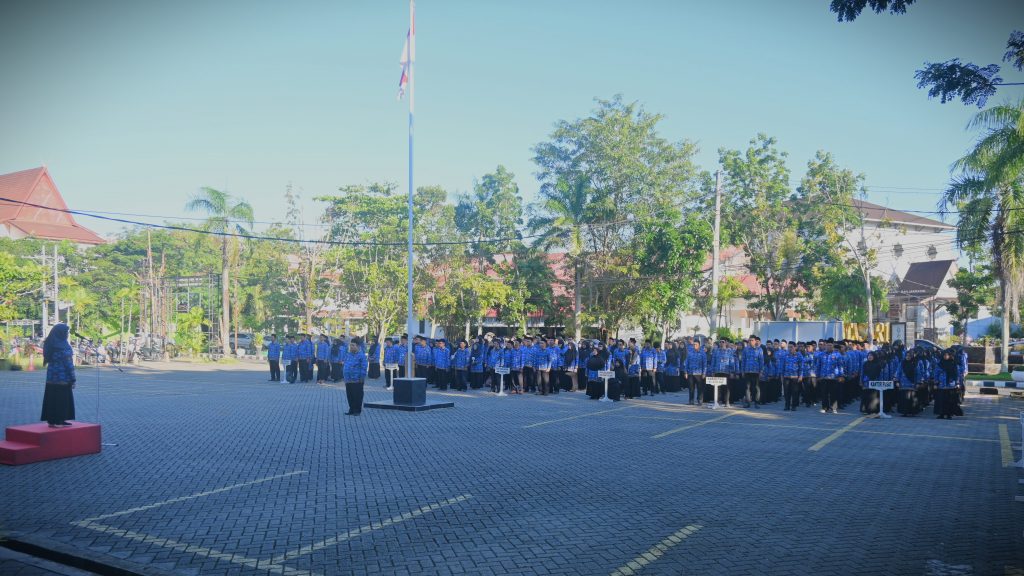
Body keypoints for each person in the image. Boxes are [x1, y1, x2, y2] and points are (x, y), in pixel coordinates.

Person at [41, 323, 76, 427]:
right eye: (66, 332)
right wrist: (73, 379)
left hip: (51, 378)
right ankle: (59, 420)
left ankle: (52, 420)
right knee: (62, 400)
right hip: (63, 378)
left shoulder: (49, 343)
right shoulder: (63, 346)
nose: (67, 334)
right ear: (62, 333)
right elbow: (68, 364)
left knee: (52, 399)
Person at [934, 349, 963, 419]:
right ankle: (941, 414)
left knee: (950, 401)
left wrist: (958, 383)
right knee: (941, 401)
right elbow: (936, 373)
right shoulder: (939, 364)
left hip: (951, 385)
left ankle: (949, 414)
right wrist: (936, 382)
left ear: (949, 356)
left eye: (947, 355)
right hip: (941, 385)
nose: (945, 356)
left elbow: (957, 374)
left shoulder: (954, 363)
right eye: (944, 355)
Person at [343, 340, 367, 416]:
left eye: (353, 345)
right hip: (348, 379)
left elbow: (364, 367)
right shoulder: (348, 355)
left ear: (358, 346)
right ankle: (351, 409)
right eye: (351, 345)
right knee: (350, 395)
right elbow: (345, 365)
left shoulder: (361, 355)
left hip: (357, 379)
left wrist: (362, 377)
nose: (351, 347)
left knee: (357, 396)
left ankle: (357, 410)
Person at [781, 342, 802, 411]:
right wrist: (782, 375)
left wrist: (800, 376)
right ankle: (787, 405)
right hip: (786, 376)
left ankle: (794, 406)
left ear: (795, 347)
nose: (790, 348)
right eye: (789, 347)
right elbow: (782, 366)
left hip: (795, 377)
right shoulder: (785, 355)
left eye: (791, 347)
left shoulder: (799, 355)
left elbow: (801, 367)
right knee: (787, 392)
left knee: (795, 392)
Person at [685, 339, 706, 405]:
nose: (694, 346)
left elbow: (704, 364)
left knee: (700, 388)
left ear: (699, 345)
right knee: (691, 388)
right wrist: (685, 372)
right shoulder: (690, 352)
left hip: (699, 373)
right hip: (690, 373)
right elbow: (686, 362)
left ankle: (699, 400)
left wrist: (704, 373)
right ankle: (691, 401)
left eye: (696, 344)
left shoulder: (702, 353)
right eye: (694, 344)